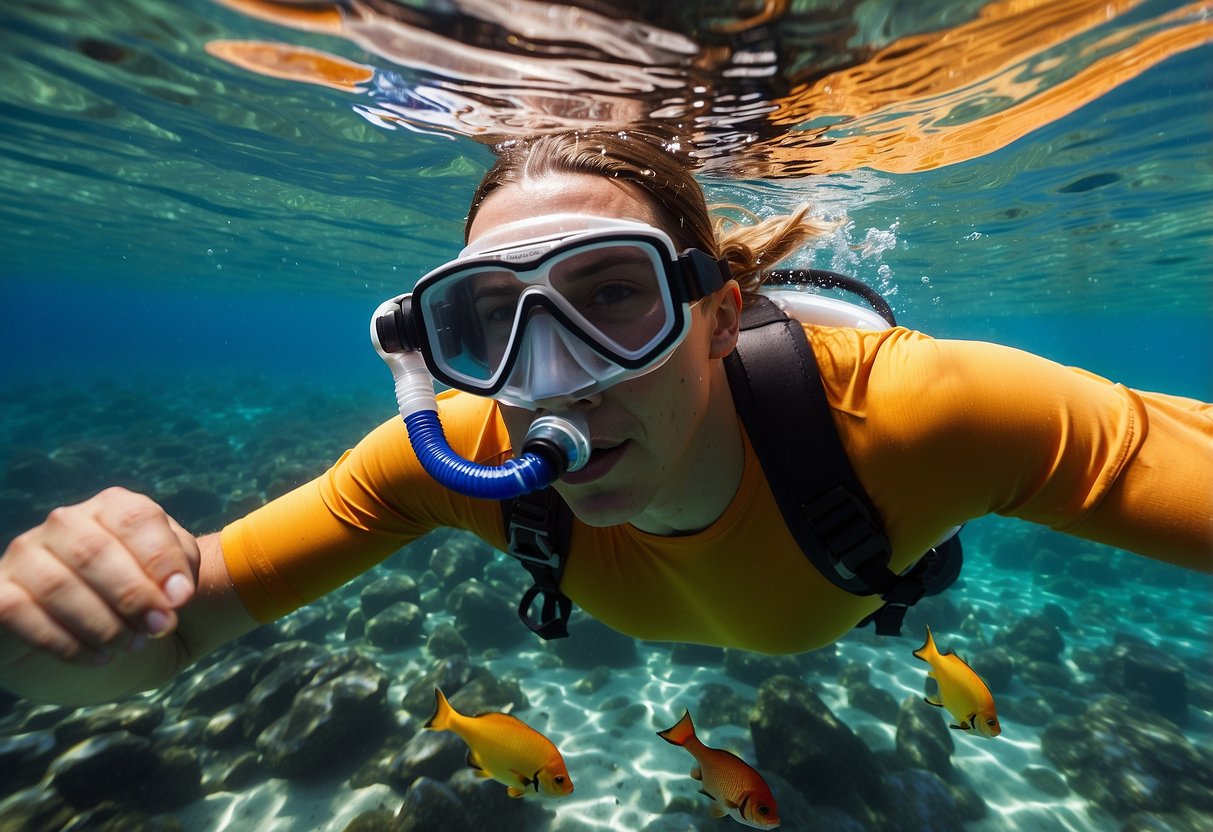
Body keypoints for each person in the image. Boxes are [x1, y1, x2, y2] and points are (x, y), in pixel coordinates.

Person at [1, 130, 1210, 707]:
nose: (548, 381)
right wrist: (54, 615)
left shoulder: (932, 414)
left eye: (612, 297)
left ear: (718, 314)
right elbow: (159, 641)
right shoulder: (452, 456)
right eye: (487, 323)